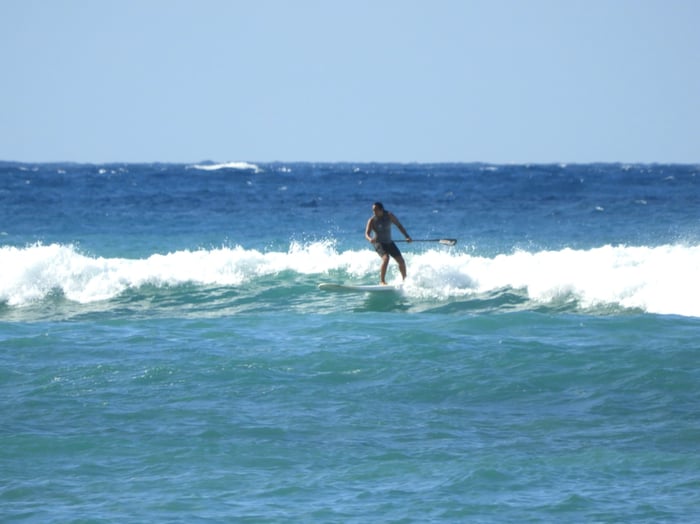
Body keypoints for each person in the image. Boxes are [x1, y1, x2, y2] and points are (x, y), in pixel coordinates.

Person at [365, 202, 412, 285]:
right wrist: (370, 239)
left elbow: (399, 225)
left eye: (375, 210)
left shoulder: (389, 215)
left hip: (389, 242)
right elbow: (367, 234)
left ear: (381, 209)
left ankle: (404, 280)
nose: (374, 212)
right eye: (373, 210)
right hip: (379, 243)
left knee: (401, 261)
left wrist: (407, 236)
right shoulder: (372, 220)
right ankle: (382, 281)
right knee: (386, 258)